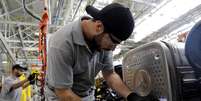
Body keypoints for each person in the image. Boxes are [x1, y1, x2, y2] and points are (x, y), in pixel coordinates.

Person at [45, 3, 158, 101]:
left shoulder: (102, 40)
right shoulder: (61, 44)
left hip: (86, 94)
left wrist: (131, 96)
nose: (113, 49)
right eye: (114, 42)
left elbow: (109, 74)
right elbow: (64, 93)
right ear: (99, 26)